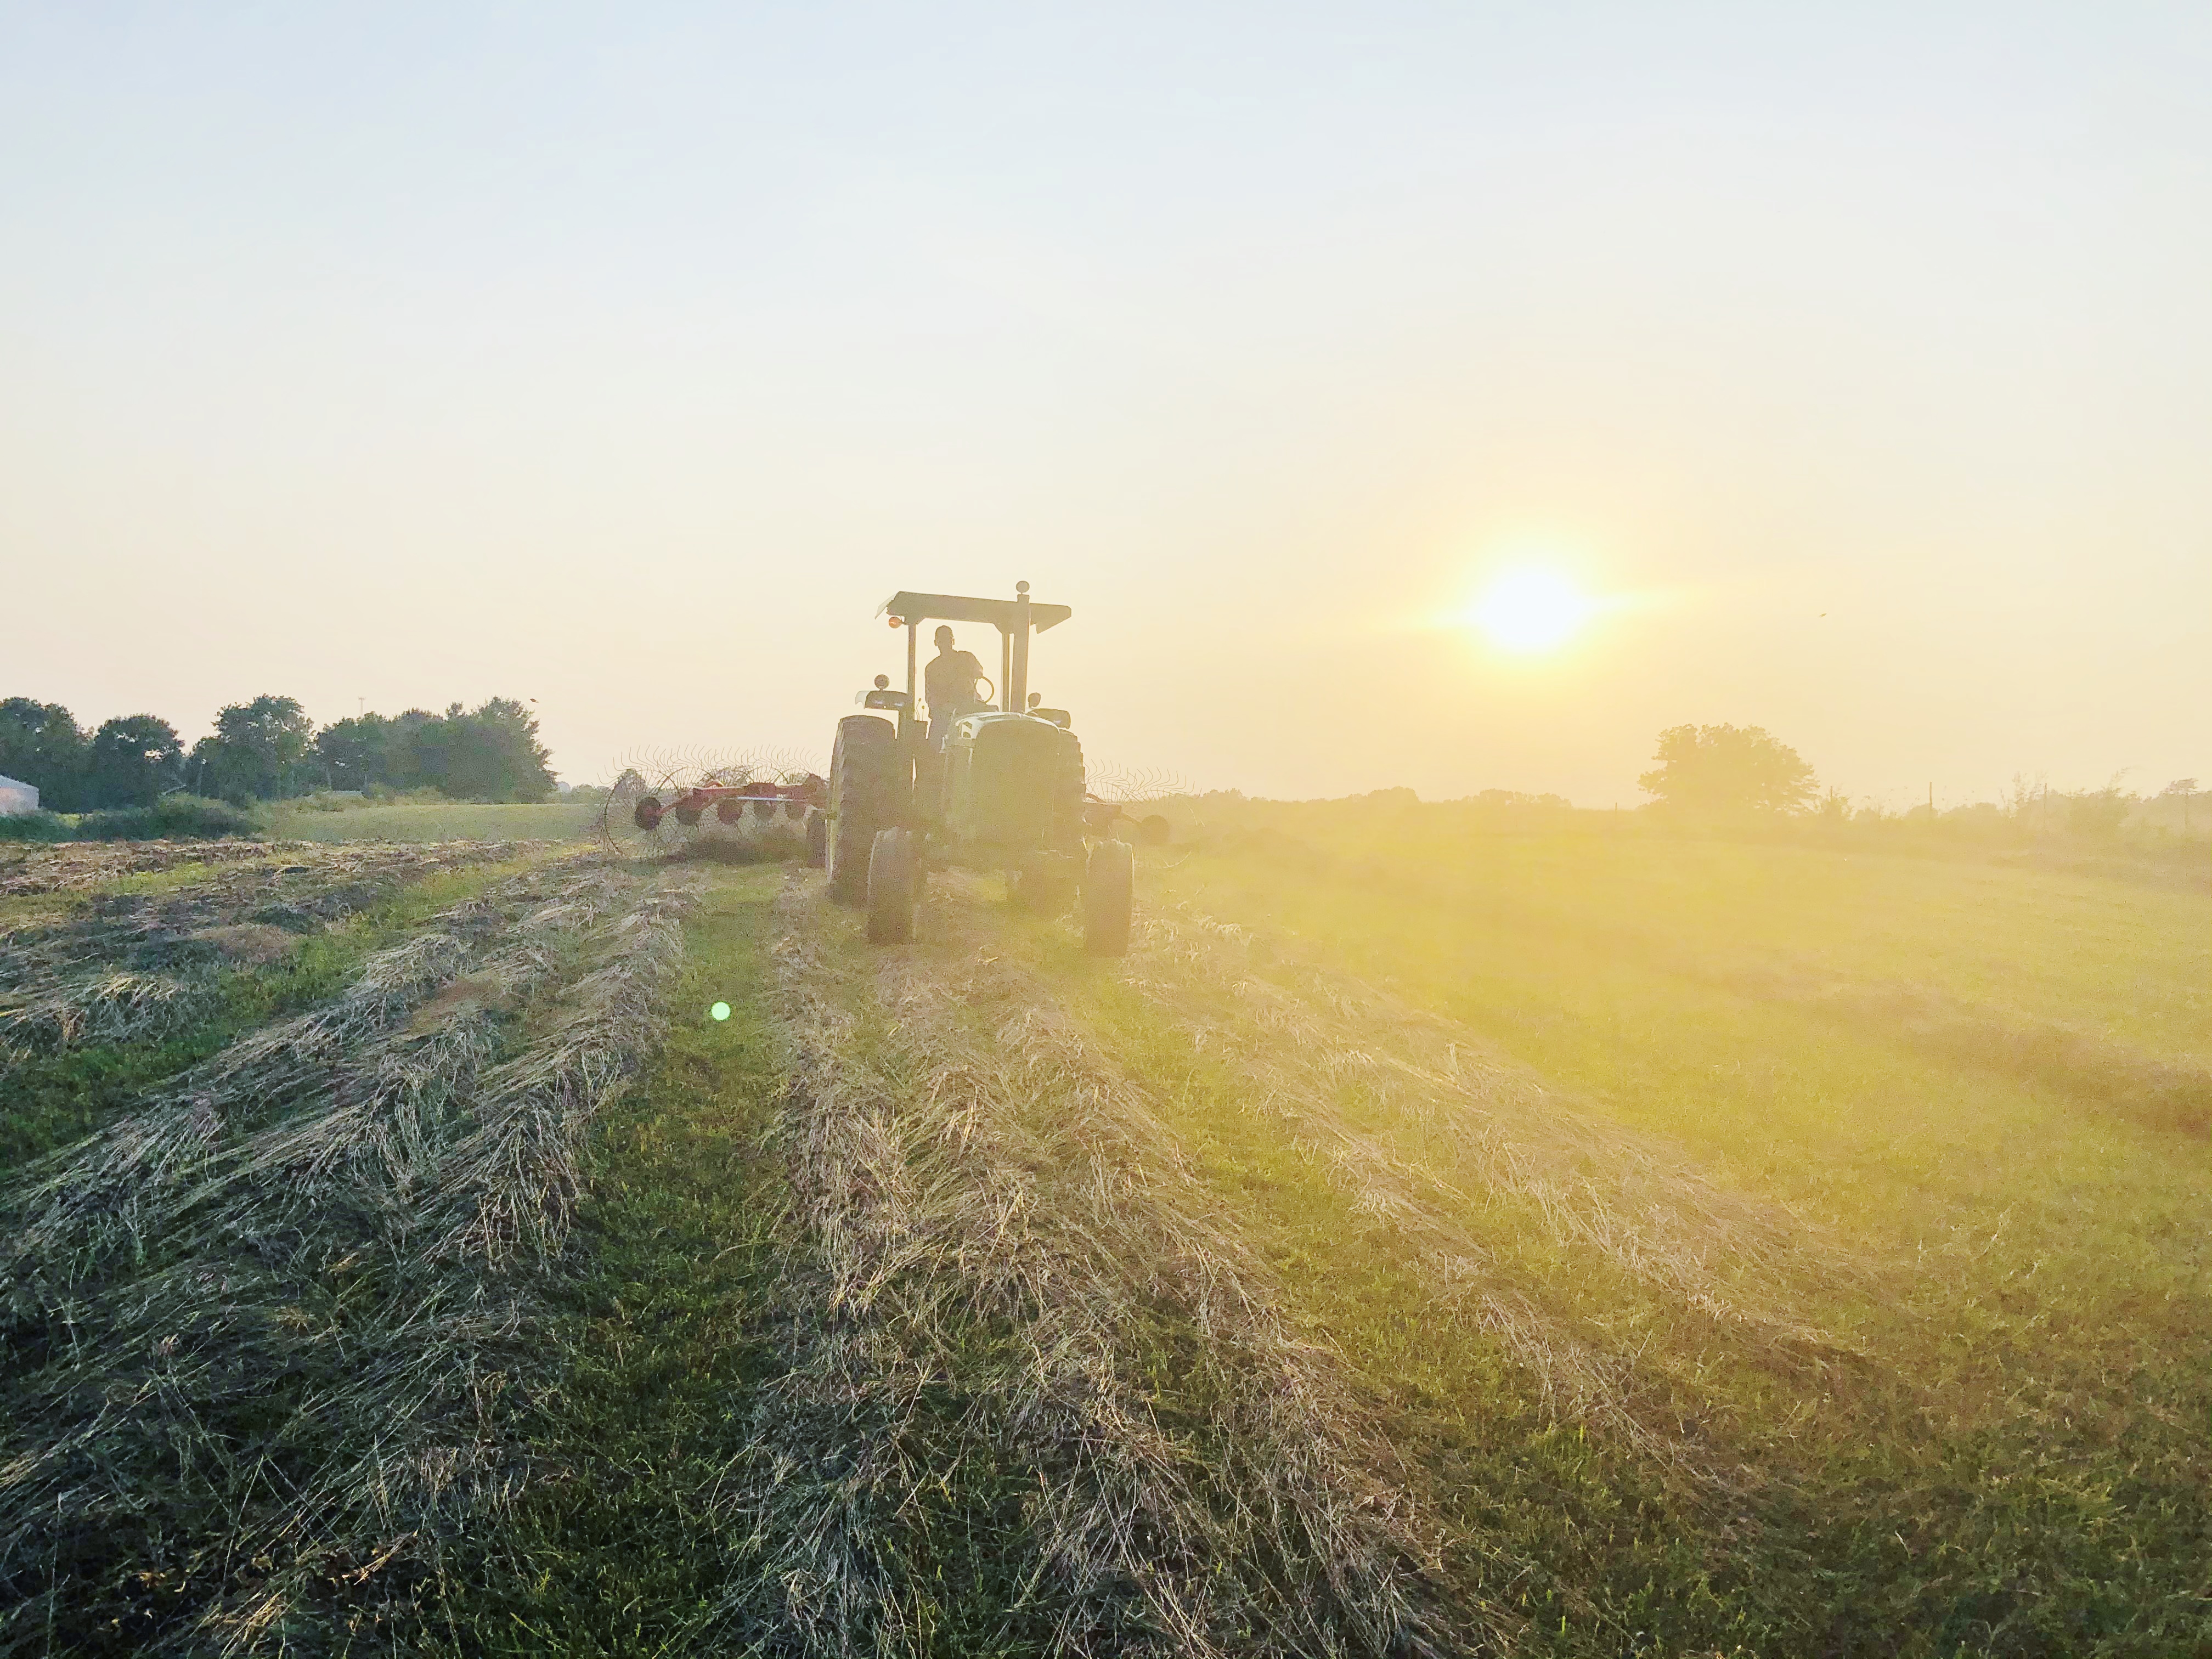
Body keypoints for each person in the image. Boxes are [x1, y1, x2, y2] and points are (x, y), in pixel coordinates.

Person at [922, 626, 990, 743]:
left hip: (970, 712)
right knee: (936, 742)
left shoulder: (967, 658)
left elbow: (979, 672)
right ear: (936, 643)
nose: (945, 644)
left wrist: (970, 672)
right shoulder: (932, 668)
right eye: (942, 640)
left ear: (953, 641)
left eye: (948, 640)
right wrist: (948, 707)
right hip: (944, 717)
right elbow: (930, 697)